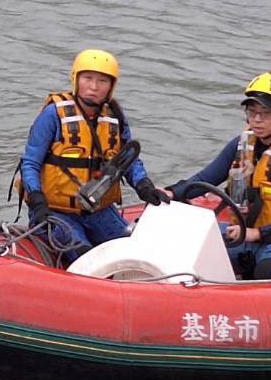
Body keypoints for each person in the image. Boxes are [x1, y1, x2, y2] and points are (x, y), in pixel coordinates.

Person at [172, 74, 271, 280]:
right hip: (246, 236)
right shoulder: (242, 143)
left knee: (267, 269)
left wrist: (258, 234)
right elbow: (206, 178)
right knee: (187, 247)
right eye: (252, 112)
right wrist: (171, 192)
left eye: (266, 113)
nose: (257, 119)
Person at [19, 49, 164, 266]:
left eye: (102, 81)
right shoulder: (53, 115)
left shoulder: (114, 116)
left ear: (111, 86)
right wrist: (37, 199)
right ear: (76, 78)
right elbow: (30, 163)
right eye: (88, 78)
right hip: (58, 211)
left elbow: (128, 159)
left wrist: (143, 184)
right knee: (86, 256)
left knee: (136, 254)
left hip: (98, 209)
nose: (94, 87)